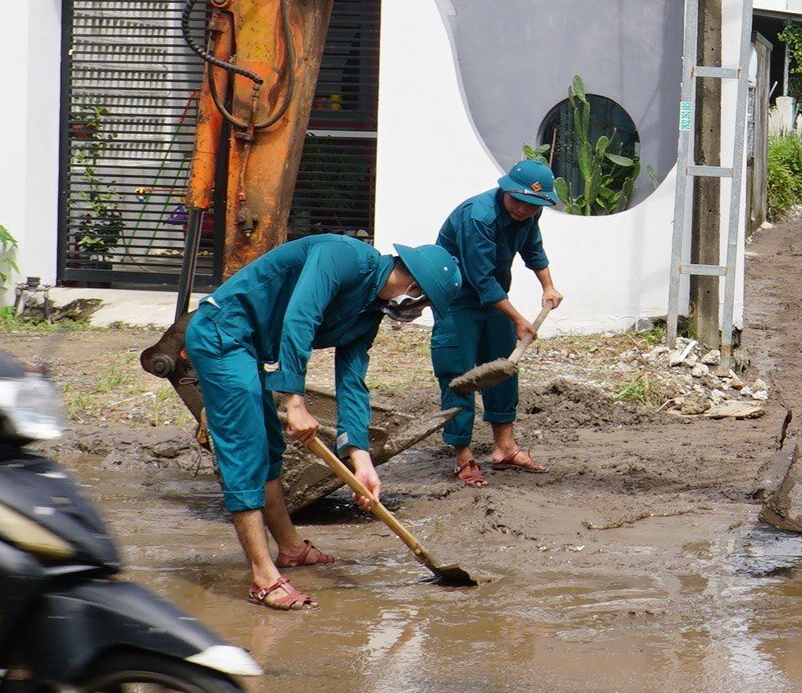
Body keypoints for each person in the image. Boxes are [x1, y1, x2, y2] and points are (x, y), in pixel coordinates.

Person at [181, 232, 464, 610]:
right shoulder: (342, 256)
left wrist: (360, 461)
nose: (418, 312)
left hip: (249, 347)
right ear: (415, 288)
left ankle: (291, 548)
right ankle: (263, 578)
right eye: (425, 305)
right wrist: (295, 400)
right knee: (246, 451)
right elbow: (301, 316)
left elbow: (352, 382)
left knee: (269, 447)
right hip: (221, 333)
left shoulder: (367, 316)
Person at [431, 158, 568, 487]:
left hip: (493, 299)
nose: (522, 210)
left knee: (504, 368)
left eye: (532, 205)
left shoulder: (529, 213)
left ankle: (504, 447)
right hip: (457, 299)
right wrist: (520, 318)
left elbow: (533, 251)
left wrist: (548, 285)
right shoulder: (479, 216)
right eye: (517, 201)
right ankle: (463, 455)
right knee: (459, 375)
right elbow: (481, 280)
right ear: (505, 190)